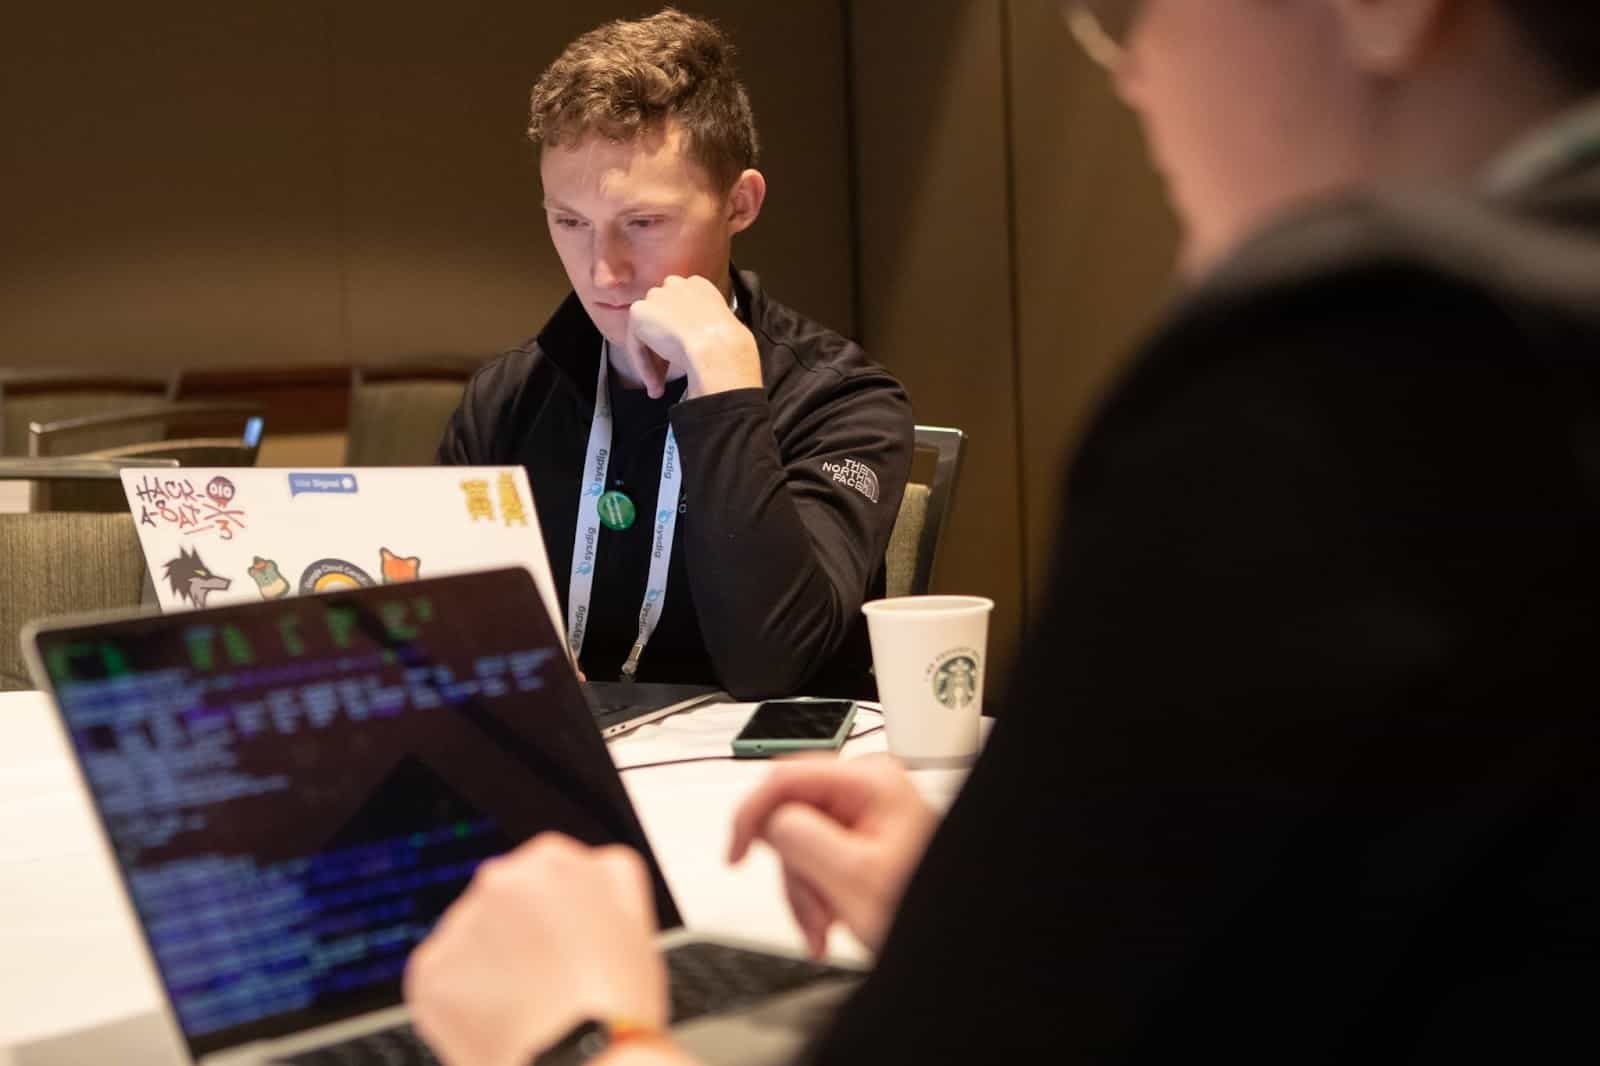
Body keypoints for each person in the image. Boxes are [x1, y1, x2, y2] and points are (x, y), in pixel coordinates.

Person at [407, 1, 1600, 1061]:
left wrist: (573, 1035)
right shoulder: (517, 391)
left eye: (1137, 13)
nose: (1130, 73)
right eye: (569, 223)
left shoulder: (1363, 378)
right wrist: (1015, 908)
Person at [438, 9, 913, 700]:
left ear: (740, 204)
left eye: (644, 223)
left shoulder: (842, 400)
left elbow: (773, 665)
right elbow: (426, 623)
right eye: (570, 222)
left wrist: (723, 385)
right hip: (565, 773)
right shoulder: (506, 396)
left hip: (758, 785)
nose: (603, 272)